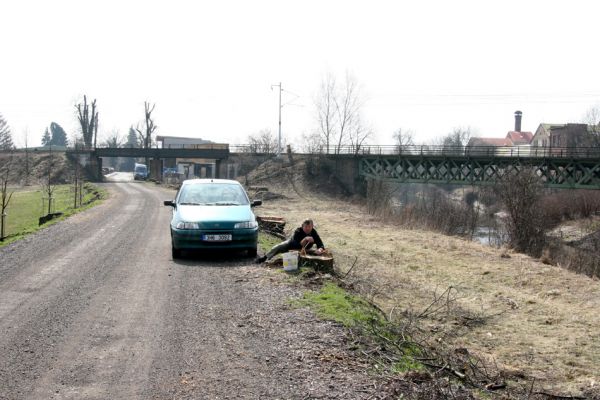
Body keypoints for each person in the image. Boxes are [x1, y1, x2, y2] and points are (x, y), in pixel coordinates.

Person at [256, 218, 325, 263]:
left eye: (309, 227)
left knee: (315, 253)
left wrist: (320, 249)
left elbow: (320, 243)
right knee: (278, 247)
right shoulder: (298, 231)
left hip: (305, 249)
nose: (307, 228)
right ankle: (265, 258)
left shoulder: (313, 232)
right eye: (306, 227)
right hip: (291, 244)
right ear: (302, 226)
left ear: (312, 226)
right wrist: (305, 239)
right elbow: (297, 244)